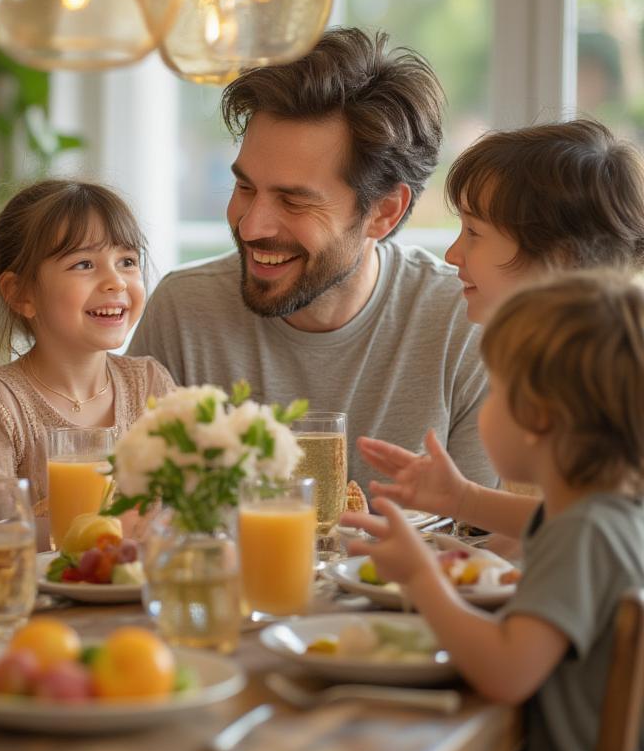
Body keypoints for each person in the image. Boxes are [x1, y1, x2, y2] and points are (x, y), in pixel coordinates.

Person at [129, 27, 491, 491]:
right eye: (245, 187)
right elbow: (137, 524)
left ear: (384, 211)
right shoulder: (183, 313)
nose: (250, 225)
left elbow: (474, 550)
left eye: (294, 201)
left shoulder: (461, 326)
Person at [341, 270, 644, 751]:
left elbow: (505, 673)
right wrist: (462, 499)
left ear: (538, 417)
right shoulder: (615, 516)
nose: (485, 407)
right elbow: (545, 525)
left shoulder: (582, 535)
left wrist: (419, 577)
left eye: (495, 392)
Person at [358, 119, 644, 532]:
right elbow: (559, 527)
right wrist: (462, 505)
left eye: (474, 232)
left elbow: (596, 537)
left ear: (559, 260)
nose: (453, 254)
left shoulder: (602, 387)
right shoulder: (549, 364)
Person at [0, 180, 175, 532]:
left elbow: (189, 505)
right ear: (20, 293)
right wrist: (117, 524)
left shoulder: (150, 385)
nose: (115, 281)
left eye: (127, 261)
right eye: (84, 264)